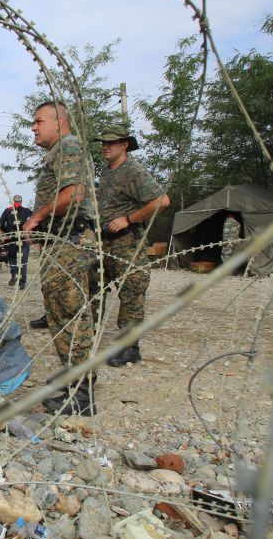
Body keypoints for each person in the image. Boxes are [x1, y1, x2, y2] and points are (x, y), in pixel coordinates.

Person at [23, 101, 98, 416]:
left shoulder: (69, 146)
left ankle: (81, 392)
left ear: (60, 121)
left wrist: (35, 218)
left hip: (71, 241)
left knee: (70, 315)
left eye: (39, 121)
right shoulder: (58, 152)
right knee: (62, 314)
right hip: (62, 241)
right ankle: (75, 380)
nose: (34, 128)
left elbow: (73, 194)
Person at [93, 125, 170, 367]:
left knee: (131, 295)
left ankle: (130, 347)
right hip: (103, 242)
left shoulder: (134, 171)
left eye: (111, 143)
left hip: (127, 242)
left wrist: (127, 219)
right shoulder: (106, 173)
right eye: (103, 143)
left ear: (125, 145)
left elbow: (162, 201)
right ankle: (89, 336)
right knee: (94, 289)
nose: (105, 147)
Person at [0, 195, 33, 289]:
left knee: (11, 257)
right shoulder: (26, 210)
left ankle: (14, 273)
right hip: (23, 237)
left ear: (13, 201)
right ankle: (22, 283)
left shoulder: (7, 210)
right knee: (23, 261)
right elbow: (34, 219)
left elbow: (0, 223)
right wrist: (28, 230)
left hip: (11, 237)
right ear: (21, 201)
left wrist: (6, 232)